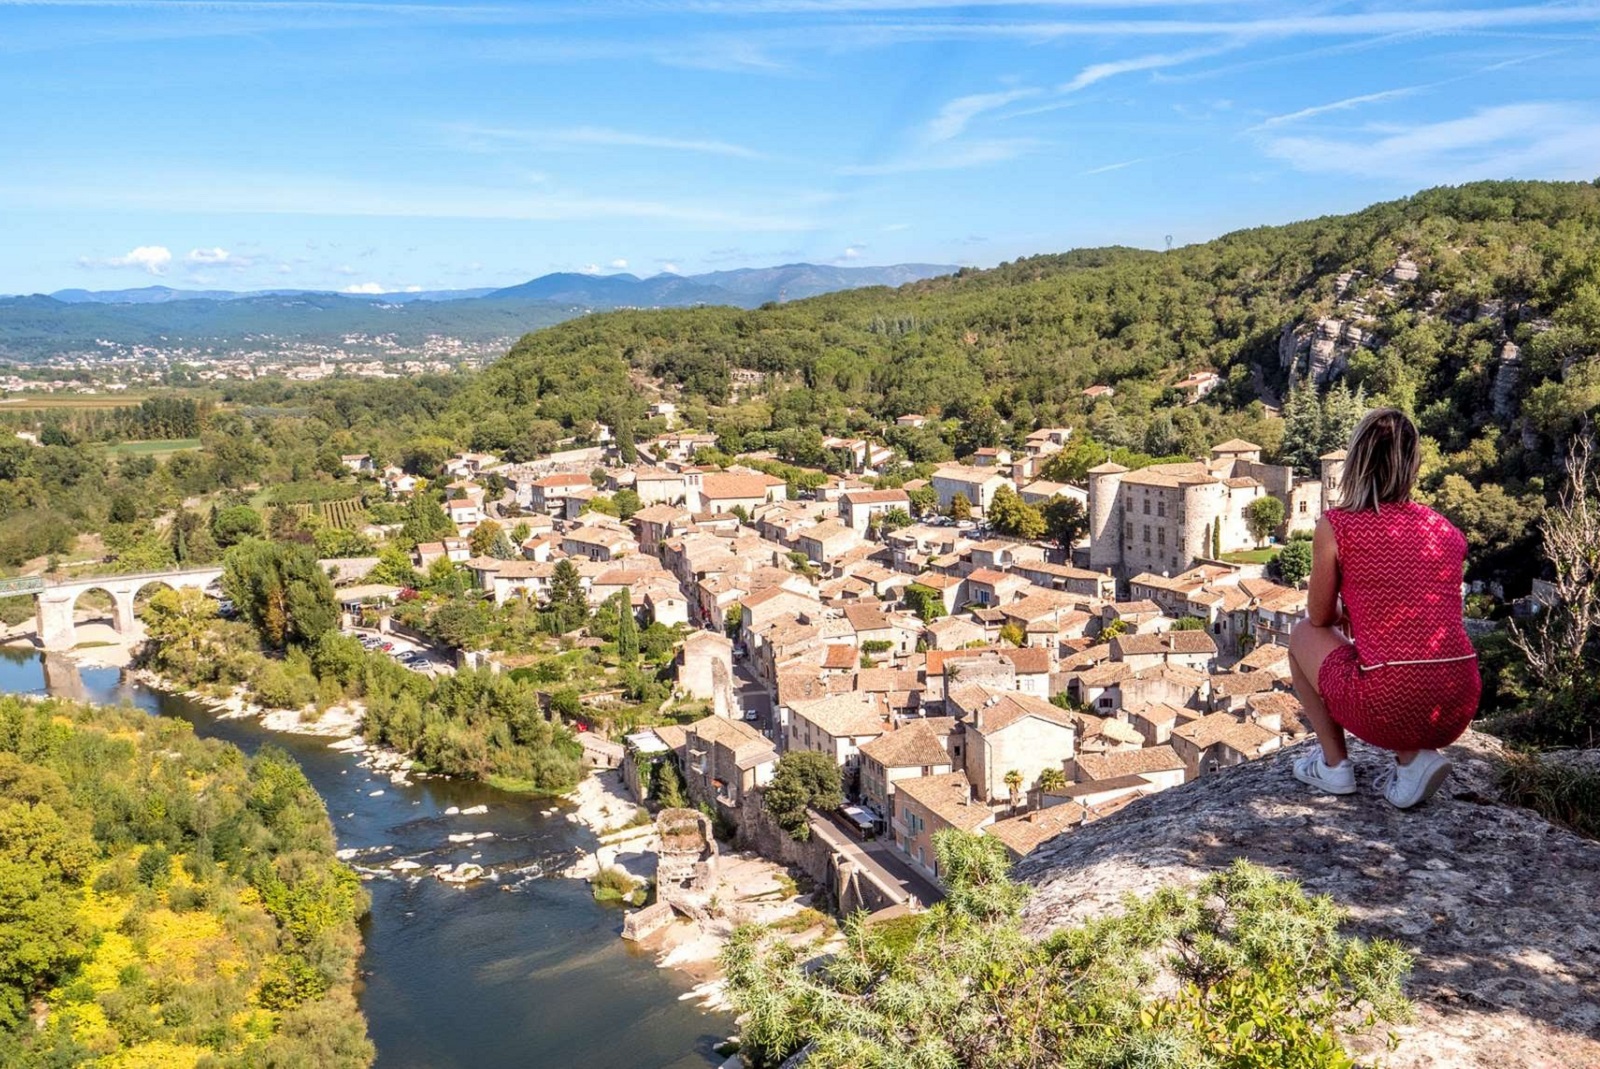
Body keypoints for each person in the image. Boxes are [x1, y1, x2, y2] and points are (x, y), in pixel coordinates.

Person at [1288, 407, 1480, 808]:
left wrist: (1347, 613)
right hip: (1458, 699)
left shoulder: (1338, 526)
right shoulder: (1443, 530)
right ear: (1413, 465)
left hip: (1390, 704)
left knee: (1302, 635)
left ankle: (1333, 765)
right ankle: (1412, 760)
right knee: (1400, 661)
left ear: (1355, 462)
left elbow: (1319, 618)